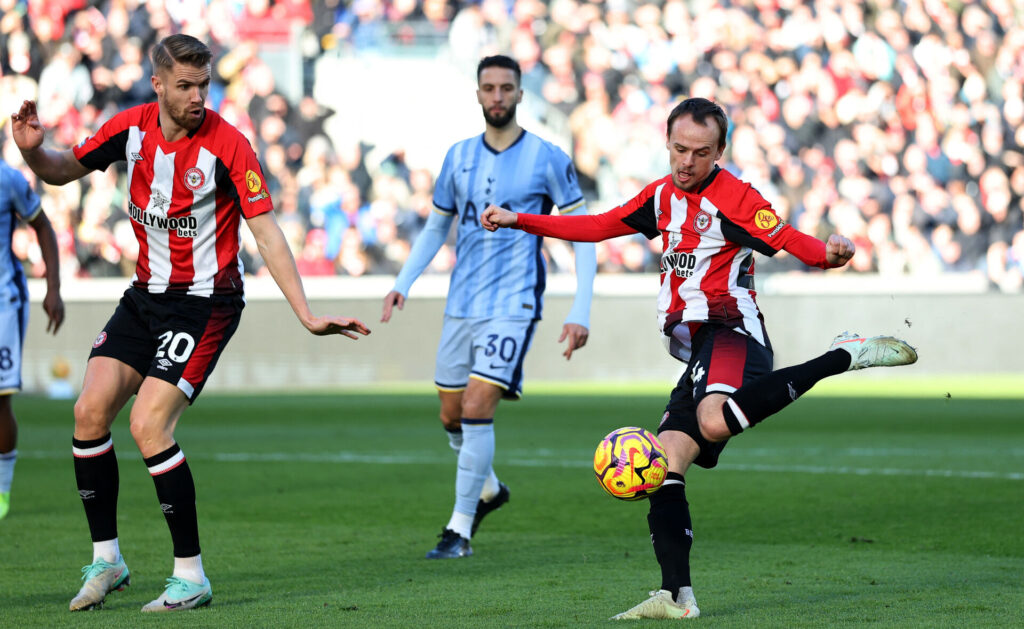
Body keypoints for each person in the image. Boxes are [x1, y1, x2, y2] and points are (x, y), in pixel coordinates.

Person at [482, 97, 918, 619]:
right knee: (664, 464)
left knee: (713, 421)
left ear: (720, 152)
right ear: (667, 142)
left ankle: (843, 355)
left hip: (733, 331)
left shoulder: (735, 198)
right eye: (679, 149)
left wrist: (829, 253)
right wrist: (517, 220)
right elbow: (598, 226)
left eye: (701, 152)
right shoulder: (660, 195)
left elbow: (786, 238)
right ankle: (675, 597)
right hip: (696, 350)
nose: (687, 162)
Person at [10, 34, 370, 613]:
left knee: (149, 425)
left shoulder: (230, 144)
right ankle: (108, 562)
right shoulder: (128, 127)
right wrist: (32, 151)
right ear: (158, 84)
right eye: (185, 85)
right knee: (87, 412)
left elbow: (267, 231)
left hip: (206, 303)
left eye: (204, 85)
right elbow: (59, 170)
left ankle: (191, 575)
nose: (198, 96)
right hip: (145, 296)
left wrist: (306, 314)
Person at [381, 55, 597, 559]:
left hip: (514, 301)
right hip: (462, 301)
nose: (497, 96)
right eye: (489, 88)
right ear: (478, 94)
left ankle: (458, 531)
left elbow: (583, 235)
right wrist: (404, 282)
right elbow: (437, 227)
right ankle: (490, 489)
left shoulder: (548, 157)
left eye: (506, 88)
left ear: (521, 94)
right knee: (451, 415)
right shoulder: (457, 157)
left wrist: (580, 307)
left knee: (478, 407)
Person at [0, 150, 65, 520]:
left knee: (0, 398)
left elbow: (43, 226)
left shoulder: (8, 179)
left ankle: (2, 492)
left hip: (3, 301)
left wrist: (52, 288)